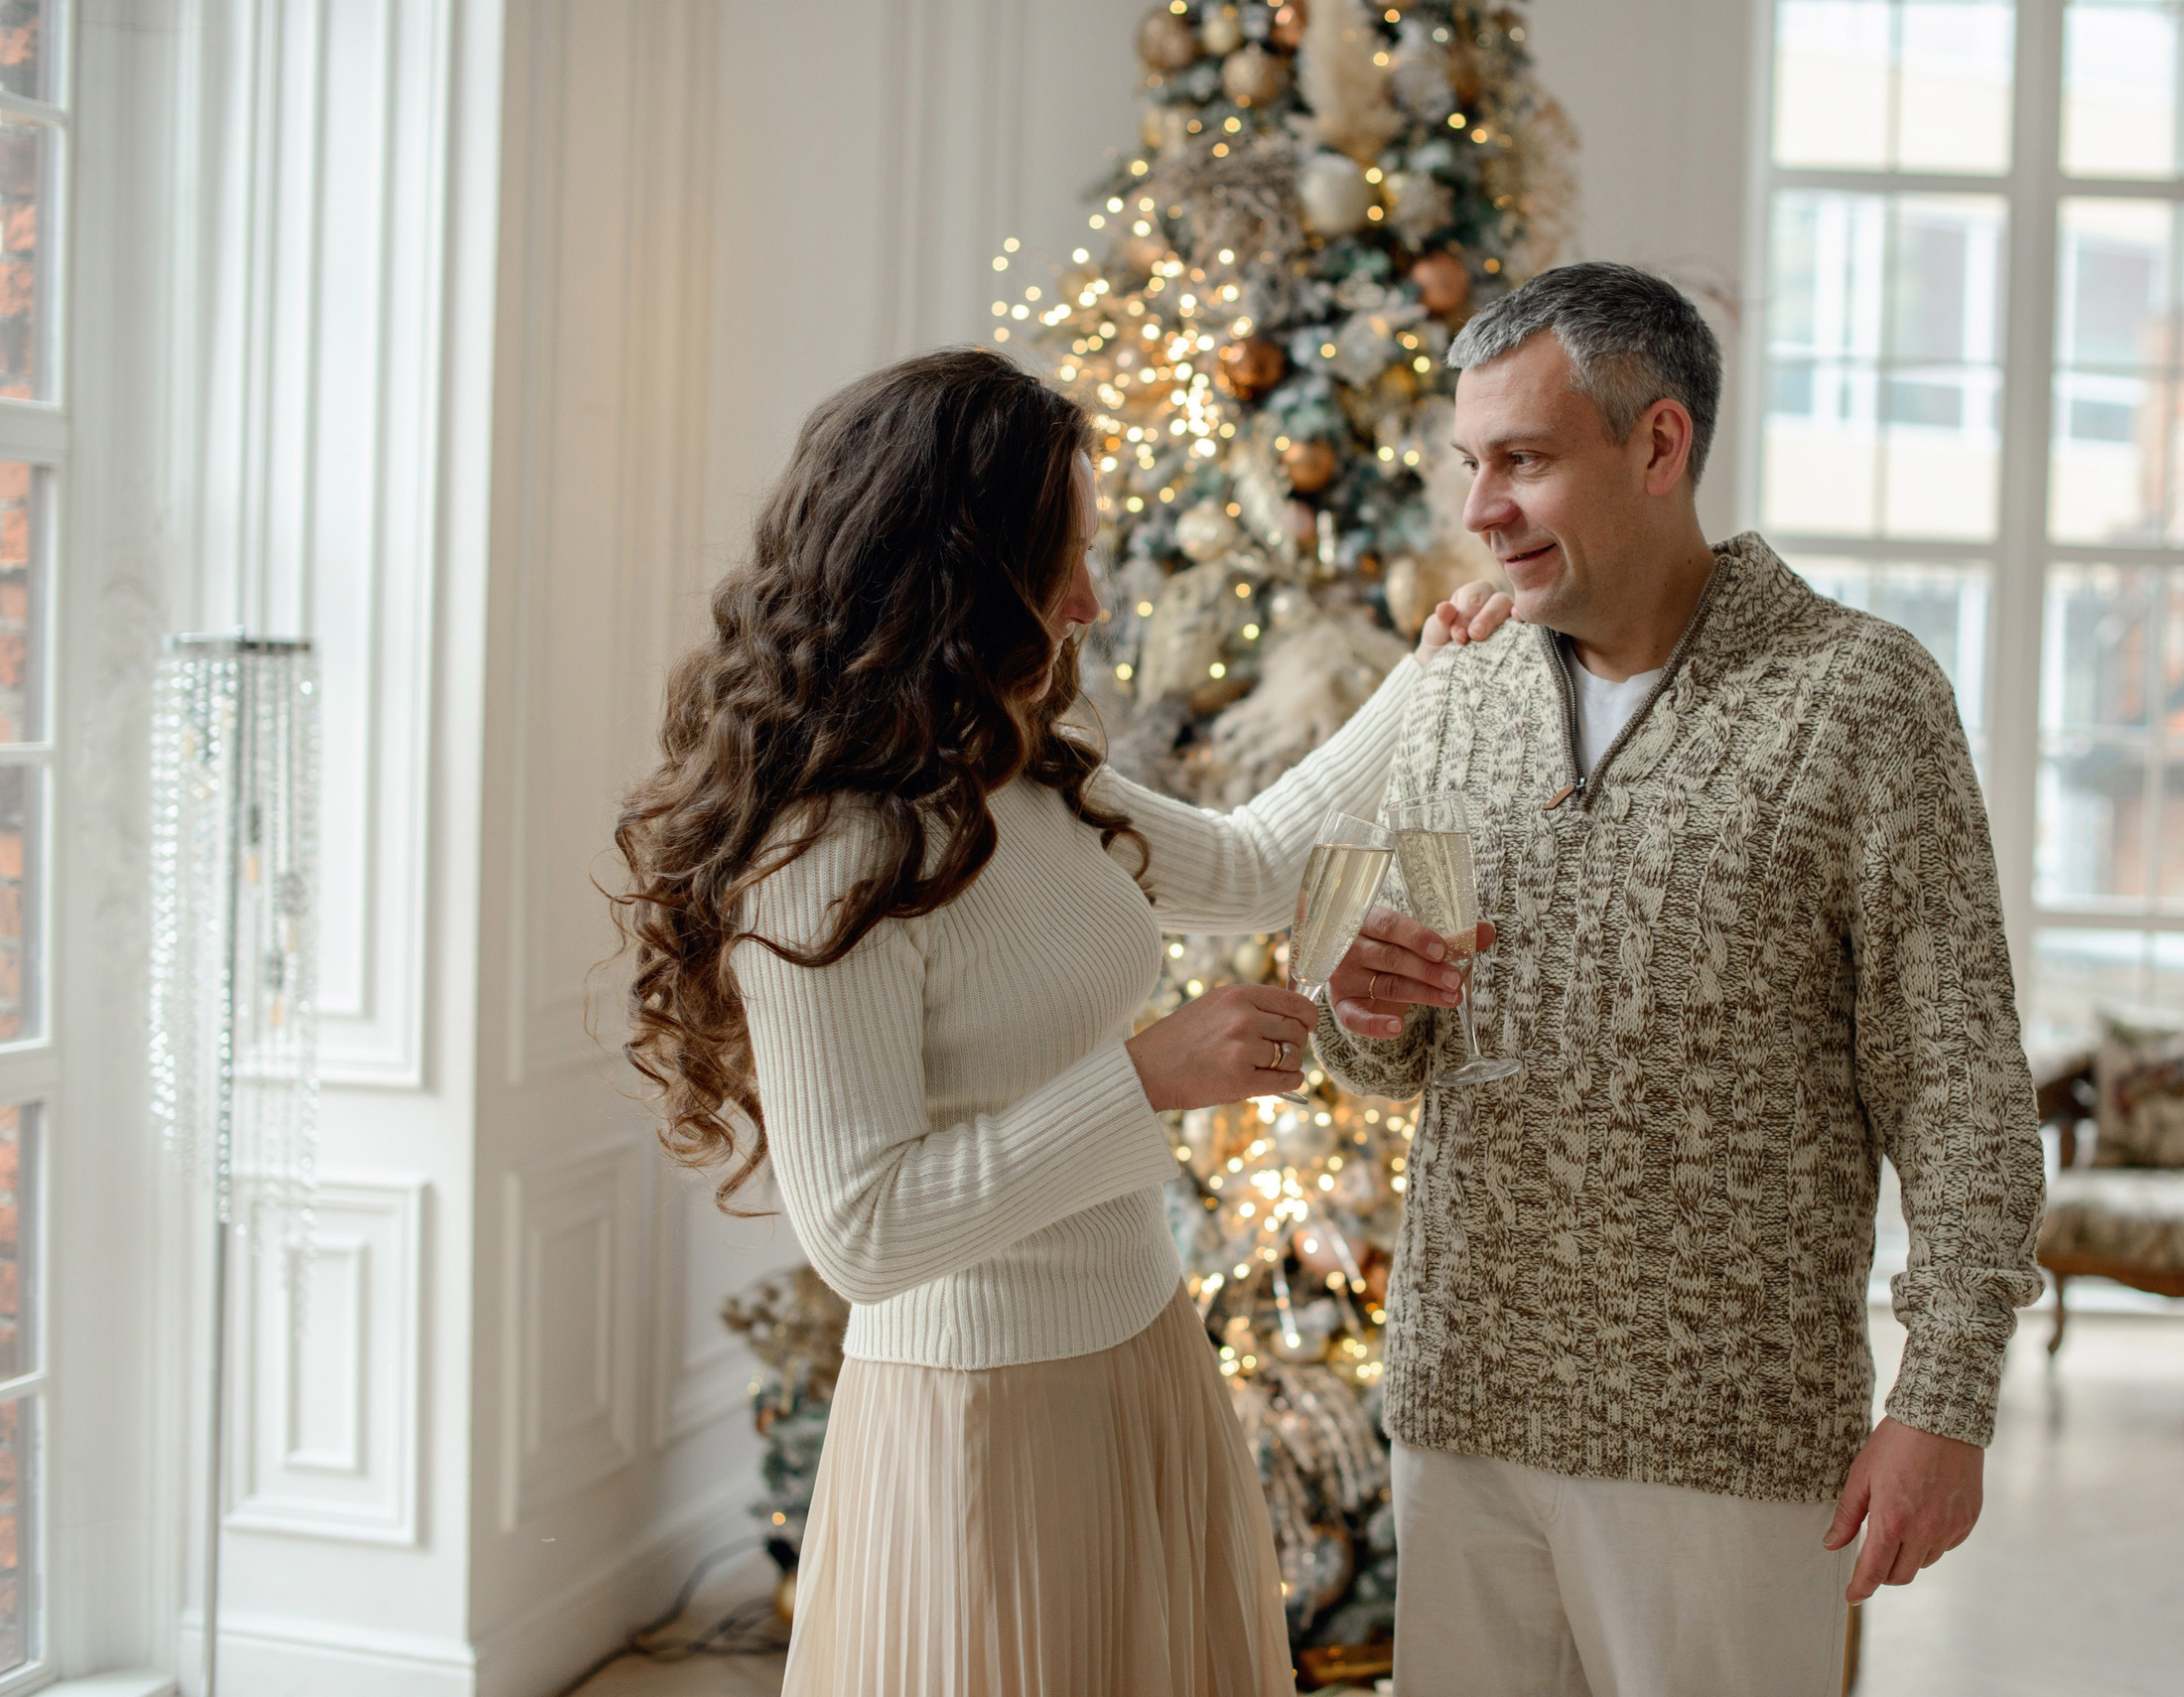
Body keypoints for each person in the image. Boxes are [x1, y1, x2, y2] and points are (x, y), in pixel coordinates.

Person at [609, 348, 1511, 1697]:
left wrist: (1431, 677)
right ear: (949, 578)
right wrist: (1141, 1078)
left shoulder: (1015, 771)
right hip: (982, 1420)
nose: (1090, 601)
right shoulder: (825, 851)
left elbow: (1259, 859)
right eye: (1060, 563)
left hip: (1140, 1361)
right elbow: (861, 1230)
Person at [1313, 262, 2047, 1697]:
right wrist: (1364, 1011)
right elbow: (1397, 1053)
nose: (1479, 511)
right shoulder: (1456, 686)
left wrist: (1945, 1396)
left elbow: (1960, 1082)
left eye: (1522, 461)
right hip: (1464, 1415)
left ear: (1659, 445)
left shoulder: (1857, 697)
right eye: (1472, 464)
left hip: (1725, 1440)